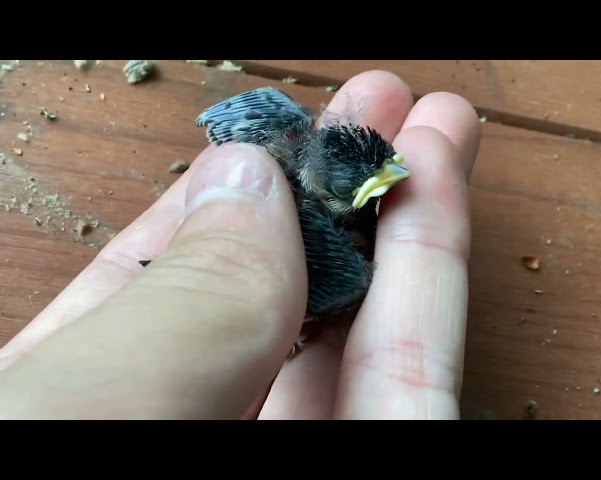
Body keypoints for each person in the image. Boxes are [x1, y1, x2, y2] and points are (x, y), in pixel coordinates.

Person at [0, 70, 481, 419]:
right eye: (370, 183)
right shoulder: (338, 259)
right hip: (243, 280)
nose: (393, 177)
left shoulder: (282, 121)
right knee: (352, 280)